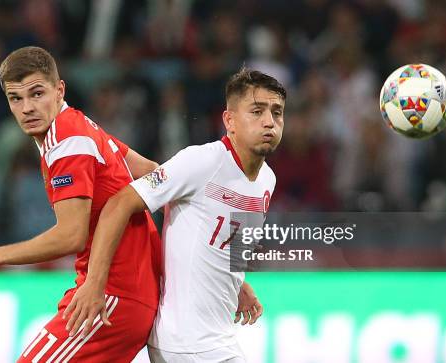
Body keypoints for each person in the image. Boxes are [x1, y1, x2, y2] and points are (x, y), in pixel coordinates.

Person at [0, 46, 162, 363]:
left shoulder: (66, 140)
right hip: (129, 296)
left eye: (37, 93)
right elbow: (157, 174)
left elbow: (71, 236)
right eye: (16, 98)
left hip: (109, 298)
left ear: (59, 89)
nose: (27, 108)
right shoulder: (83, 126)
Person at [64, 68, 286, 362]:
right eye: (256, 111)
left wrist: (236, 282)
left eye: (277, 112)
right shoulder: (201, 161)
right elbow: (118, 205)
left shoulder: (266, 179)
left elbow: (215, 237)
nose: (269, 121)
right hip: (188, 342)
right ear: (229, 120)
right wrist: (95, 283)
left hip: (213, 337)